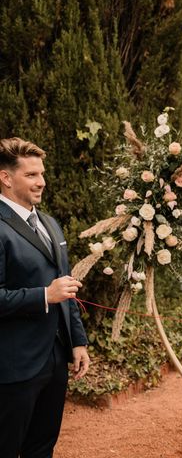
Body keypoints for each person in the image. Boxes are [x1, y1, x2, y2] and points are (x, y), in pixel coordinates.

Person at [0, 137, 90, 457]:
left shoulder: (50, 223)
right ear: (6, 177)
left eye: (42, 173)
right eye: (31, 175)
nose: (42, 182)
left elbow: (66, 286)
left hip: (55, 359)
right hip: (12, 366)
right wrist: (43, 295)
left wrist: (77, 341)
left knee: (43, 447)